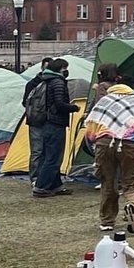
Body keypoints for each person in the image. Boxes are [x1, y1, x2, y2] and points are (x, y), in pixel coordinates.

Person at [84, 70, 134, 232]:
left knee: (108, 180)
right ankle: (133, 205)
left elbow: (91, 128)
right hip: (131, 143)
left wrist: (94, 146)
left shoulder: (105, 100)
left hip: (104, 142)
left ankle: (107, 222)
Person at [32, 58, 78, 197]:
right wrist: (73, 108)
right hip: (55, 123)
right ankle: (41, 186)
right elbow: (59, 103)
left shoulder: (47, 80)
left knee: (51, 155)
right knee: (53, 157)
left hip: (47, 122)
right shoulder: (58, 82)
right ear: (61, 68)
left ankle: (56, 185)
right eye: (65, 68)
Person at [22, 56, 54, 187]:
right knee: (37, 151)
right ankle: (35, 177)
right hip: (36, 121)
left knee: (48, 151)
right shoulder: (32, 84)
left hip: (48, 121)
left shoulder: (54, 83)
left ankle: (46, 177)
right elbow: (25, 102)